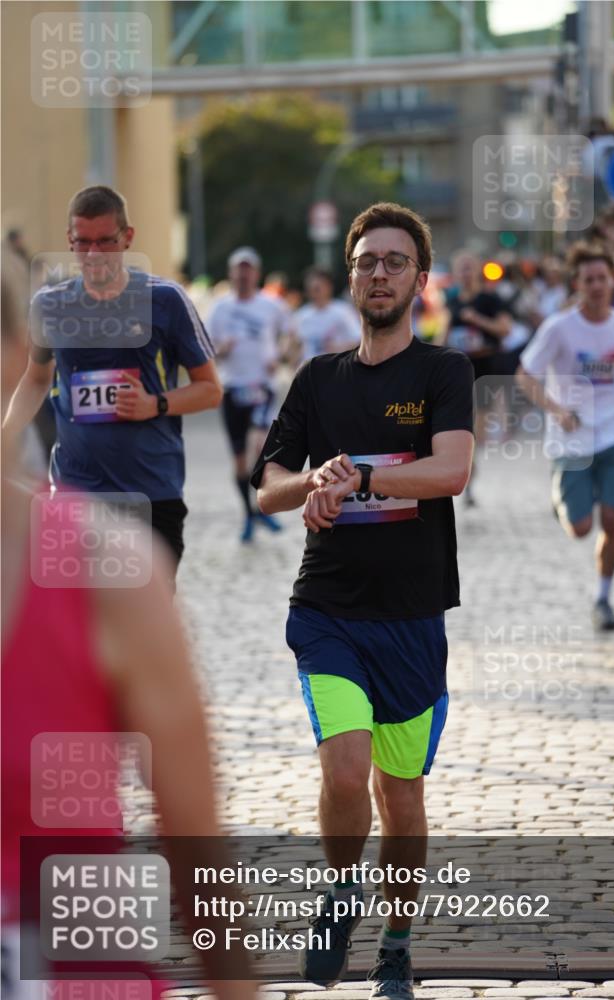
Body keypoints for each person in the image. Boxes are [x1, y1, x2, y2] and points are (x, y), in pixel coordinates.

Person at [0, 276, 253, 1000]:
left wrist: (155, 404)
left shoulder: (110, 578)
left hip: (75, 973)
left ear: (12, 354)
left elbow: (199, 861)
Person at [251, 203, 474, 1000]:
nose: (378, 273)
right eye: (365, 261)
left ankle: (396, 944)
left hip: (412, 618)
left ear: (417, 276)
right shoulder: (318, 379)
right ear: (350, 275)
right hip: (327, 612)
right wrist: (312, 481)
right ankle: (341, 892)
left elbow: (450, 472)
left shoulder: (441, 373)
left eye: (393, 261)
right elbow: (266, 487)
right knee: (347, 774)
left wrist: (363, 478)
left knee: (400, 795)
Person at [2, 185, 221, 574]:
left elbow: (210, 390)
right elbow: (36, 380)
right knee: (79, 628)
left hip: (151, 492)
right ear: (70, 242)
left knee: (144, 625)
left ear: (127, 238)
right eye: (82, 243)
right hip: (75, 493)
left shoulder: (165, 300)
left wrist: (155, 404)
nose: (93, 254)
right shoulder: (50, 305)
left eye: (105, 241)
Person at [516, 242, 614, 631]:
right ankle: (563, 501)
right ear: (576, 283)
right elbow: (524, 375)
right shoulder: (559, 328)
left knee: (611, 517)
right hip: (572, 436)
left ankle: (603, 598)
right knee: (580, 528)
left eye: (603, 278)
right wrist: (557, 409)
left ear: (613, 281)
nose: (596, 285)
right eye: (588, 279)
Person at [207, 246, 287, 543]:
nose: (243, 274)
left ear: (256, 273)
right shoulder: (219, 307)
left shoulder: (271, 306)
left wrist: (278, 355)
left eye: (248, 268)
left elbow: (290, 336)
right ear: (231, 273)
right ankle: (250, 514)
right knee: (240, 460)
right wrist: (219, 350)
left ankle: (262, 507)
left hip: (261, 387)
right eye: (238, 269)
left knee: (259, 447)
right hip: (231, 389)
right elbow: (203, 348)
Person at [442, 251, 512, 505]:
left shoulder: (491, 299)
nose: (465, 273)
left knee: (477, 428)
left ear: (478, 271)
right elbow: (445, 332)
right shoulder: (451, 300)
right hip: (459, 368)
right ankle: (467, 469)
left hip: (486, 367)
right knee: (460, 423)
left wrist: (478, 320)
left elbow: (505, 329)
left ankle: (470, 466)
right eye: (461, 268)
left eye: (469, 268)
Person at [288, 266, 360, 364]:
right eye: (309, 289)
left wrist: (339, 348)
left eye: (317, 289)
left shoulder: (343, 311)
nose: (313, 293)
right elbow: (294, 346)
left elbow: (359, 341)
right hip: (309, 372)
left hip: (336, 370)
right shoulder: (301, 315)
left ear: (328, 287)